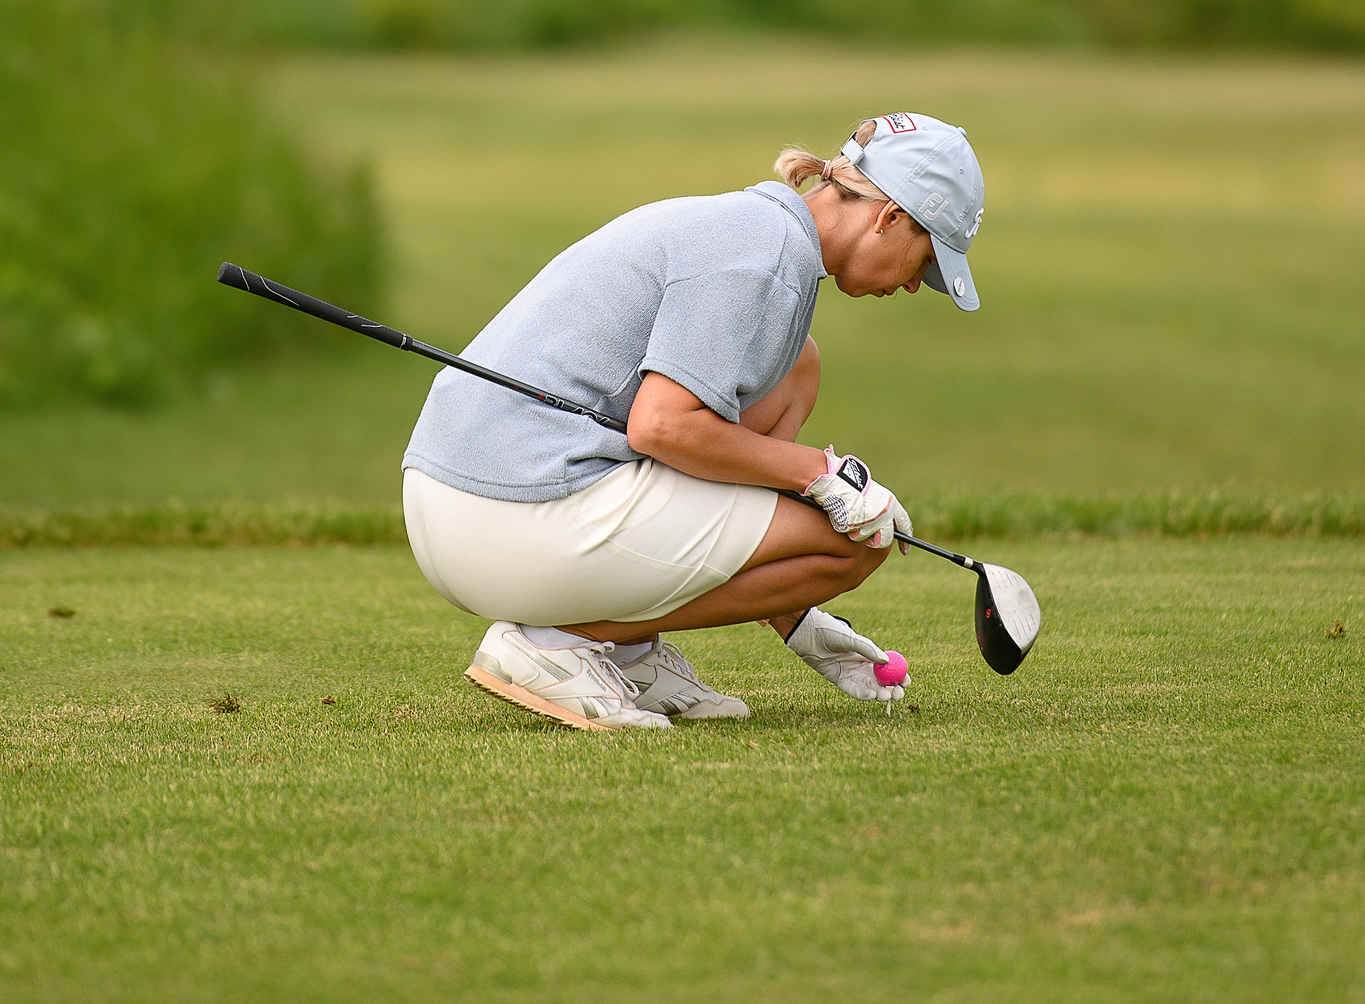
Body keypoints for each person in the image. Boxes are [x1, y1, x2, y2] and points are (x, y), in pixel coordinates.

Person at [401, 112, 986, 731]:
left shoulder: (761, 233)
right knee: (852, 545)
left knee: (797, 369)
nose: (917, 285)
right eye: (925, 262)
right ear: (889, 218)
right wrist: (820, 473)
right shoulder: (760, 255)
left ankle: (625, 650)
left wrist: (799, 617)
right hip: (504, 508)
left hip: (464, 498)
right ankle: (554, 644)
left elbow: (726, 484)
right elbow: (662, 427)